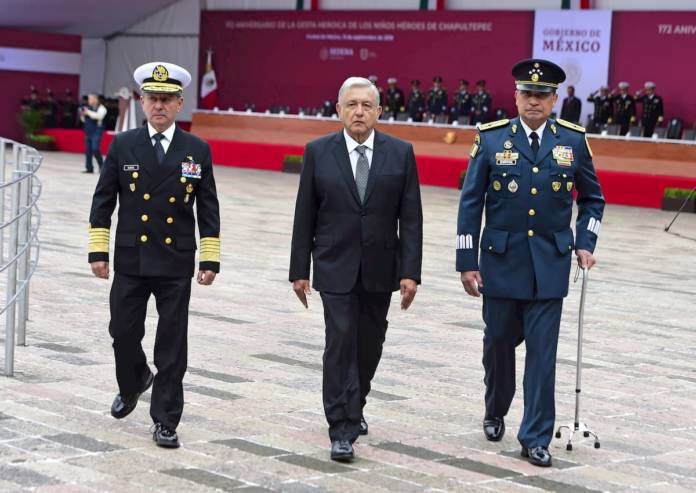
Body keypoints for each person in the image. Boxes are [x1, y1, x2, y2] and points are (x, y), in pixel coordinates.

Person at [456, 58, 605, 468]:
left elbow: (593, 199)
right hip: (500, 264)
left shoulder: (572, 141)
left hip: (550, 266)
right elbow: (471, 203)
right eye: (527, 94)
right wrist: (466, 261)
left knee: (543, 355)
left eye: (542, 95)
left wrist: (585, 242)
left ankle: (535, 436)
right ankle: (495, 407)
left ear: (555, 99)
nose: (534, 102)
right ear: (515, 96)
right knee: (499, 344)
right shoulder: (490, 139)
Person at [87, 61, 221, 449]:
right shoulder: (123, 144)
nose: (158, 106)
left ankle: (165, 420)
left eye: (166, 99)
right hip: (131, 257)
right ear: (141, 101)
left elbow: (208, 208)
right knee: (122, 333)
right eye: (152, 99)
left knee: (172, 343)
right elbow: (103, 201)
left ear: (179, 104)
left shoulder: (196, 149)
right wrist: (99, 249)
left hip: (175, 260)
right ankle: (133, 381)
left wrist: (209, 259)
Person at [289, 76, 423, 462]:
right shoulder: (318, 151)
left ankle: (356, 402)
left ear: (379, 111)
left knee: (369, 343)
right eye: (352, 105)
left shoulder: (400, 153)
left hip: (381, 267)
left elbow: (410, 217)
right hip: (334, 266)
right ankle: (341, 426)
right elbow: (305, 214)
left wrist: (410, 272)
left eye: (367, 105)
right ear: (338, 110)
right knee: (340, 340)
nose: (359, 111)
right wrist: (300, 269)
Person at [80, 93, 107, 173]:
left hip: (97, 131)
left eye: (90, 99)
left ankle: (102, 166)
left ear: (96, 99)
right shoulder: (87, 108)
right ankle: (89, 168)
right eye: (88, 99)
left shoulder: (102, 108)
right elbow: (84, 120)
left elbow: (99, 116)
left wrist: (87, 112)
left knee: (95, 148)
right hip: (88, 131)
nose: (89, 101)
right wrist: (82, 115)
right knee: (88, 150)